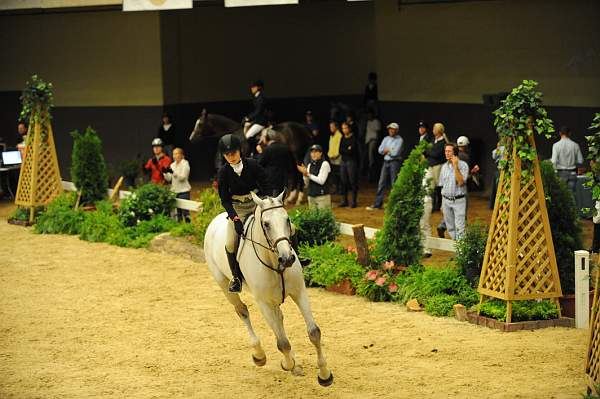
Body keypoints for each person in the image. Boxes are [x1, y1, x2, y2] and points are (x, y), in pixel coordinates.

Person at [217, 134, 271, 293]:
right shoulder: (223, 172)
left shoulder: (253, 164)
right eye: (227, 155)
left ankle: (297, 258)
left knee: (290, 227)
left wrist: (266, 201)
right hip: (237, 208)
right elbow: (225, 200)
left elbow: (266, 184)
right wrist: (234, 218)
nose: (231, 157)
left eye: (233, 153)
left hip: (256, 203)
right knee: (230, 243)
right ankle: (236, 278)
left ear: (239, 151)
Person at [366, 122, 404, 211]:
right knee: (381, 183)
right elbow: (380, 150)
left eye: (392, 129)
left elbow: (395, 153)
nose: (390, 130)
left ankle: (394, 205)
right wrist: (389, 150)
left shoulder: (400, 140)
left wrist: (387, 150)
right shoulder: (386, 138)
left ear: (396, 130)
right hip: (386, 162)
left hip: (395, 162)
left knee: (394, 183)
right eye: (389, 129)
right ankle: (377, 204)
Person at [439, 142, 469, 240]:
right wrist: (441, 204)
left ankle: (461, 252)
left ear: (455, 152)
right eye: (445, 151)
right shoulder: (444, 167)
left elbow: (460, 182)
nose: (446, 153)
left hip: (458, 201)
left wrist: (455, 166)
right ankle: (458, 249)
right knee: (450, 228)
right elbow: (442, 185)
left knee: (460, 227)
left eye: (449, 151)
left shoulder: (463, 165)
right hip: (446, 201)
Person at [257, 129, 295, 196]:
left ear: (267, 137)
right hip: (284, 181)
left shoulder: (267, 150)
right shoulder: (285, 148)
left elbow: (259, 163)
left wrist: (260, 153)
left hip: (271, 181)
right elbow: (292, 165)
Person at [551, 126, 584, 195]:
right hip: (572, 173)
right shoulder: (575, 145)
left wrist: (554, 171)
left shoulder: (556, 145)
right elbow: (580, 160)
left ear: (560, 133)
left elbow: (554, 160)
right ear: (569, 133)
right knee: (571, 195)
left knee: (562, 196)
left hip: (561, 173)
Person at [297, 144, 331, 209]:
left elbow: (321, 181)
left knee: (323, 218)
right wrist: (304, 175)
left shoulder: (325, 164)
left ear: (321, 153)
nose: (313, 154)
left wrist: (308, 174)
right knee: (312, 218)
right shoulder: (309, 165)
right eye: (312, 152)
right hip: (311, 196)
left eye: (316, 152)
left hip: (322, 197)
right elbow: (306, 184)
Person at [162, 147, 191, 223]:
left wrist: (173, 172)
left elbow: (183, 178)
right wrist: (165, 173)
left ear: (181, 155)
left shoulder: (185, 163)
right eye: (174, 154)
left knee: (185, 211)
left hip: (184, 191)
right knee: (178, 212)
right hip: (175, 191)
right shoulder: (172, 165)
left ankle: (188, 226)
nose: (175, 155)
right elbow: (169, 179)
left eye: (177, 153)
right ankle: (179, 227)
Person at [424, 122, 447, 212]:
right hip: (430, 165)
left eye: (434, 129)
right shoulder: (432, 140)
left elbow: (436, 154)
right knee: (431, 186)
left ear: (439, 131)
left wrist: (430, 151)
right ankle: (433, 205)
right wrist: (430, 152)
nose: (433, 130)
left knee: (438, 186)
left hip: (438, 166)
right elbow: (426, 151)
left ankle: (438, 204)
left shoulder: (443, 142)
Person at [339, 122, 359, 208]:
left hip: (351, 161)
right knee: (344, 182)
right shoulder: (342, 138)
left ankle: (354, 201)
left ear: (349, 128)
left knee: (352, 181)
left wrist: (347, 150)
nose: (344, 130)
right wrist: (347, 149)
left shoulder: (353, 138)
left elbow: (352, 151)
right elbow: (340, 150)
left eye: (345, 128)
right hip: (343, 161)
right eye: (343, 128)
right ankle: (344, 201)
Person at [363, 111, 382, 181]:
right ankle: (368, 175)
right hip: (367, 142)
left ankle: (372, 175)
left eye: (369, 114)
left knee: (372, 159)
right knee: (366, 159)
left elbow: (378, 132)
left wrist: (376, 141)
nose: (368, 116)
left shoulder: (376, 121)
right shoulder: (368, 122)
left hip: (373, 140)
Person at [419, 167, 434, 257]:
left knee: (424, 225)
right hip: (419, 201)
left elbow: (429, 189)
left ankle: (427, 249)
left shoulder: (428, 172)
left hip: (425, 201)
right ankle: (422, 247)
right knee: (421, 226)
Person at [327, 121, 343, 194]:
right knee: (334, 174)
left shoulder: (339, 135)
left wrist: (335, 155)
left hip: (337, 157)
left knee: (339, 174)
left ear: (336, 127)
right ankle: (335, 188)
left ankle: (340, 189)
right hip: (332, 158)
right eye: (330, 127)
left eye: (332, 127)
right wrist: (329, 155)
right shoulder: (332, 136)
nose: (331, 128)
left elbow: (338, 147)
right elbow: (331, 147)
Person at [489, 141, 505, 209]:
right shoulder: (500, 149)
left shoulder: (507, 148)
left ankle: (498, 205)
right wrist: (498, 148)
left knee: (499, 189)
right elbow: (494, 156)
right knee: (497, 188)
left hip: (504, 170)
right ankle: (497, 205)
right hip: (500, 171)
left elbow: (494, 156)